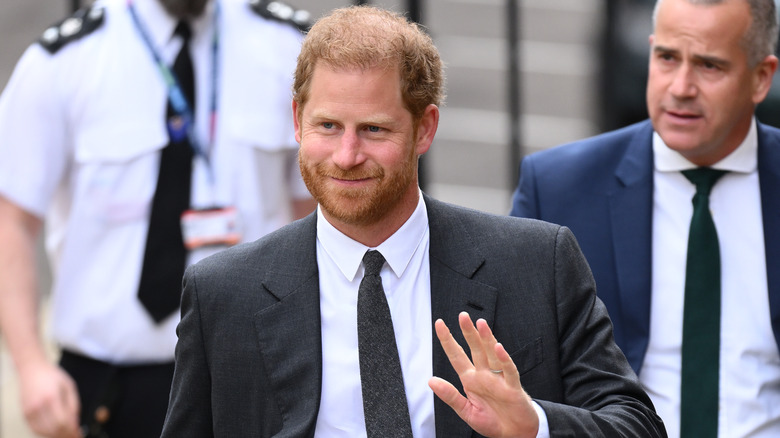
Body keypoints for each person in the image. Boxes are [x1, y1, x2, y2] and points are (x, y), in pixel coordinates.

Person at [160, 5, 667, 437]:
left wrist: (533, 425)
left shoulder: (537, 264)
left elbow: (635, 424)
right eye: (328, 126)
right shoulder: (223, 293)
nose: (346, 155)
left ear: (425, 128)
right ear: (296, 120)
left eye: (374, 129)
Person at [0, 0, 316, 436]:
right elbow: (10, 221)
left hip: (255, 375)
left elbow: (315, 216)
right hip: (110, 387)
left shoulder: (291, 48)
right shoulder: (64, 59)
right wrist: (31, 364)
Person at [510, 0, 780, 436]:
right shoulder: (558, 190)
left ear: (761, 77)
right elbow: (522, 371)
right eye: (668, 57)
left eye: (709, 66)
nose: (680, 87)